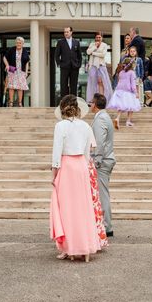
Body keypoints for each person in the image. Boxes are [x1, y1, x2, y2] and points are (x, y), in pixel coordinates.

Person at [50, 95, 102, 262]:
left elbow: (56, 151)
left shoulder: (60, 126)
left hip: (67, 166)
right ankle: (85, 247)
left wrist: (54, 172)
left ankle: (69, 248)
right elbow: (87, 152)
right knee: (83, 206)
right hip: (81, 165)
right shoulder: (86, 126)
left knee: (67, 208)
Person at [90, 93, 115, 237]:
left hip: (103, 160)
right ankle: (104, 223)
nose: (90, 105)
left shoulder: (100, 119)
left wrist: (97, 160)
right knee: (102, 193)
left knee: (102, 194)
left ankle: (107, 226)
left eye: (91, 103)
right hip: (107, 158)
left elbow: (99, 142)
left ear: (95, 104)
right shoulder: (104, 117)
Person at [107, 57, 141, 128]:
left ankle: (117, 118)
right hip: (128, 91)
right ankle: (128, 121)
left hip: (119, 90)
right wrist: (136, 92)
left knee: (121, 106)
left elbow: (119, 82)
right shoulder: (132, 73)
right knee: (131, 107)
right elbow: (133, 84)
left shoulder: (121, 72)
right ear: (132, 65)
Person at [54, 27, 82, 98]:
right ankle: (64, 103)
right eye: (64, 32)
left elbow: (79, 55)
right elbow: (56, 55)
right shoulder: (60, 42)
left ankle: (73, 103)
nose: (66, 33)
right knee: (64, 86)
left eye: (67, 32)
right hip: (64, 67)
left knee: (74, 86)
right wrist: (59, 64)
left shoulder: (76, 42)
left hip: (74, 67)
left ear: (71, 32)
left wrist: (78, 65)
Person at [86, 32, 113, 103]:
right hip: (93, 66)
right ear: (95, 38)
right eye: (97, 37)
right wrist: (95, 47)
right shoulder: (92, 44)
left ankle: (102, 99)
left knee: (102, 82)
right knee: (92, 83)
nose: (98, 39)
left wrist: (94, 53)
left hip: (101, 66)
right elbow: (88, 52)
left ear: (102, 38)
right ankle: (93, 99)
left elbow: (103, 55)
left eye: (99, 37)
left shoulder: (104, 45)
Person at [3, 36, 30, 107]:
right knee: (11, 87)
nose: (18, 44)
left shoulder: (25, 51)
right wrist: (7, 65)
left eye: (20, 43)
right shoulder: (12, 49)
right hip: (12, 69)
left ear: (22, 43)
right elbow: (4, 58)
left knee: (20, 87)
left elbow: (27, 62)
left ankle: (20, 103)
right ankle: (11, 102)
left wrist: (26, 72)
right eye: (17, 43)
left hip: (21, 71)